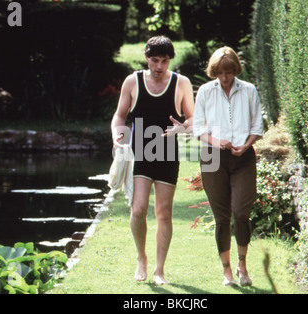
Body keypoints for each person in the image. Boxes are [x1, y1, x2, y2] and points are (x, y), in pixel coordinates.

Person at [111, 36, 194, 285]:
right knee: (138, 210)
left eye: (165, 61)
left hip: (168, 154)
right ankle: (141, 258)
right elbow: (119, 116)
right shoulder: (133, 82)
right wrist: (117, 134)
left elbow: (194, 119)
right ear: (147, 58)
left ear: (170, 60)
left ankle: (159, 270)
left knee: (163, 213)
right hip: (140, 154)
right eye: (155, 60)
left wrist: (183, 128)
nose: (159, 66)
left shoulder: (181, 83)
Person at [193, 47, 263, 286]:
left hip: (242, 158)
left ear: (235, 70)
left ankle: (242, 265)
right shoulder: (204, 91)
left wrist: (245, 146)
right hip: (213, 158)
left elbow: (257, 127)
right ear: (214, 71)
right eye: (221, 73)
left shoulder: (249, 90)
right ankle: (226, 271)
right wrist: (216, 141)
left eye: (229, 72)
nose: (225, 78)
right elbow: (199, 129)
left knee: (241, 213)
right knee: (222, 217)